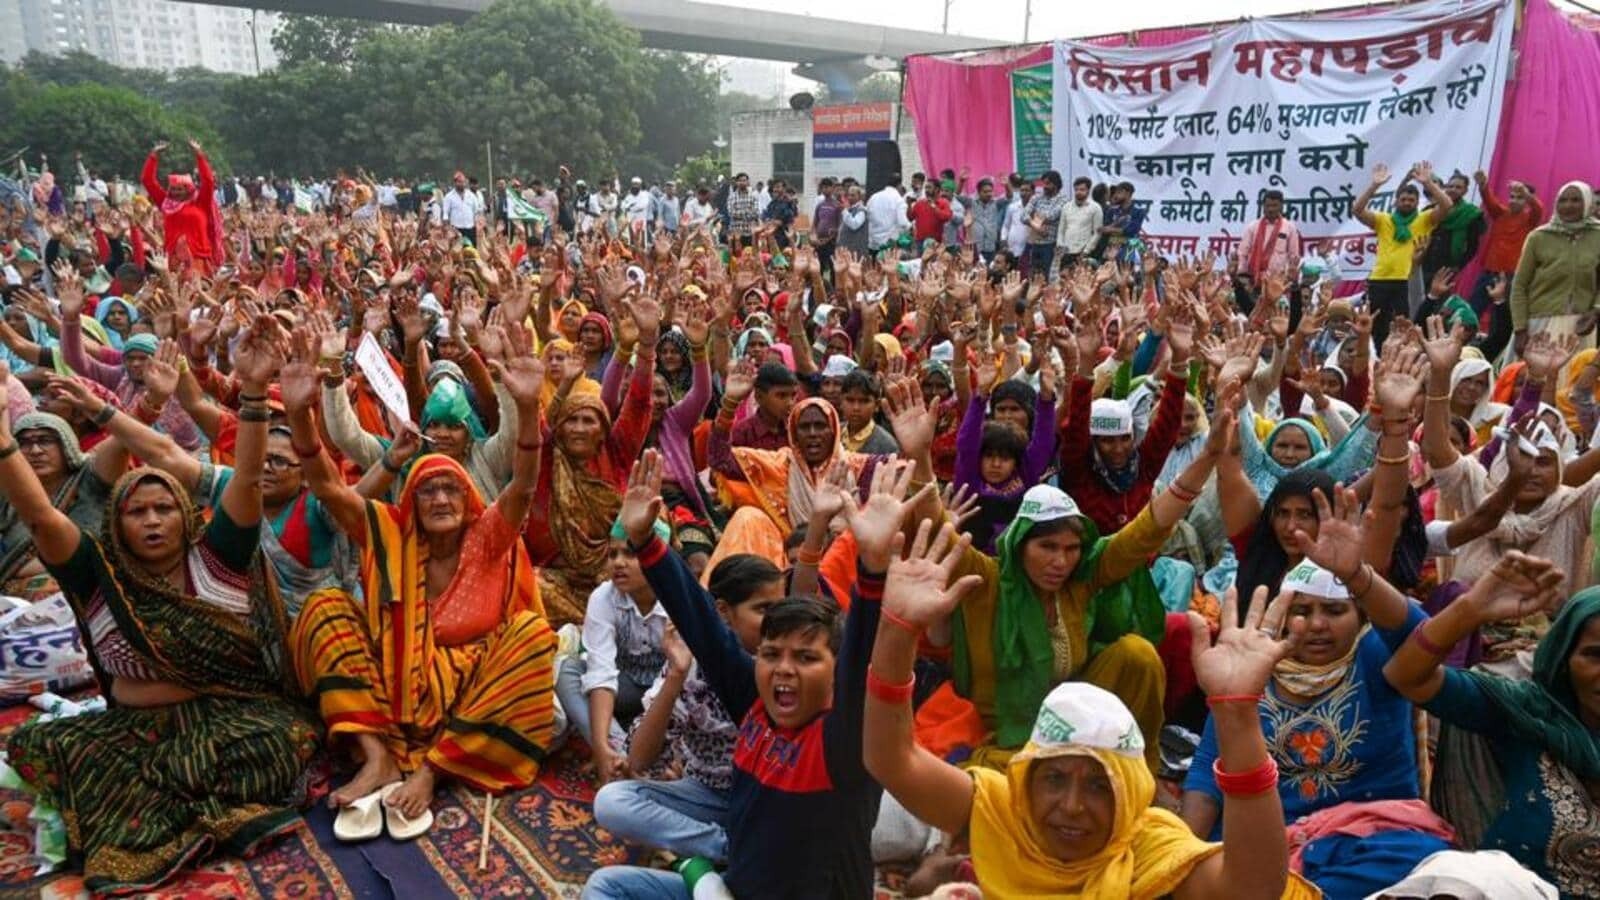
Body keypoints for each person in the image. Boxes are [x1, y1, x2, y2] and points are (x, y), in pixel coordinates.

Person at [1, 322, 321, 895]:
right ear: (117, 523)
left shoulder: (217, 559)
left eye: (163, 509)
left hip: (222, 720)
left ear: (183, 515)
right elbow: (44, 518)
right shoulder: (100, 577)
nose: (152, 521)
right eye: (137, 512)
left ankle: (178, 798)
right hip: (130, 730)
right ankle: (194, 802)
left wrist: (251, 392)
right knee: (42, 748)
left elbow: (244, 477)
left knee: (289, 737)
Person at [862, 520, 1316, 899]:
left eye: (1101, 785)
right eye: (1055, 778)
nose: (1073, 807)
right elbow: (890, 758)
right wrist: (897, 630)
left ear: (1134, 791)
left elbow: (1253, 888)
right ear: (1025, 779)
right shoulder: (1004, 812)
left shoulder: (1151, 851)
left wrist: (1236, 717)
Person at [583, 451, 924, 899]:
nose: (783, 669)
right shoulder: (756, 704)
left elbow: (864, 658)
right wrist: (646, 541)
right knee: (608, 886)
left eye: (805, 658)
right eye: (771, 654)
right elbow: (704, 626)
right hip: (736, 887)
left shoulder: (842, 740)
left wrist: (873, 569)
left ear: (835, 671)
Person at [285, 321, 560, 823]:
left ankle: (433, 768)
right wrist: (301, 416)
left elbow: (522, 484)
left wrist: (524, 406)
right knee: (323, 608)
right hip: (392, 692)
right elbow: (327, 488)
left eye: (450, 490)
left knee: (534, 635)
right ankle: (377, 756)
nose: (438, 499)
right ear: (410, 501)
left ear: (469, 499)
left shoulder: (487, 537)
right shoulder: (390, 534)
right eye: (427, 491)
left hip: (472, 694)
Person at [937, 397, 1238, 769]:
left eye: (1071, 548)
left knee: (1137, 655)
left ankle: (1138, 767)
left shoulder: (1082, 575)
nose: (1060, 561)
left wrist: (1208, 457)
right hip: (1010, 731)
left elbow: (1148, 528)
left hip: (1075, 708)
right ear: (1019, 545)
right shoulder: (988, 579)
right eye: (1047, 547)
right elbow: (936, 533)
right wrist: (918, 454)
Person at [1184, 489, 1454, 900]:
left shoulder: (1380, 656)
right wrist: (1184, 856)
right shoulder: (1251, 665)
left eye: (1333, 611)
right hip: (1270, 846)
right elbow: (1208, 769)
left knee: (1429, 861)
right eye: (1301, 610)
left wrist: (1360, 578)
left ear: (1360, 615)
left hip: (1372, 842)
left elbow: (1421, 637)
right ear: (1282, 614)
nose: (1316, 625)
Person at [1382, 551, 1596, 897]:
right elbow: (1407, 677)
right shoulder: (1530, 712)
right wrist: (1470, 610)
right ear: (1563, 657)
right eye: (1594, 655)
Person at [592, 554, 785, 862]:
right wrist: (676, 675)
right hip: (708, 794)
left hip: (768, 799)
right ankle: (725, 849)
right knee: (612, 802)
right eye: (763, 610)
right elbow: (639, 759)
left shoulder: (785, 668)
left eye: (780, 609)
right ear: (723, 612)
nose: (777, 622)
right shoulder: (693, 666)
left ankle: (745, 846)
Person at [1352, 161, 1454, 347]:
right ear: (1396, 201)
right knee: (1376, 327)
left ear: (1417, 203)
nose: (1407, 203)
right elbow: (1357, 210)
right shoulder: (1384, 220)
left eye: (1411, 200)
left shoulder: (1424, 220)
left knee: (1405, 326)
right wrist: (1374, 185)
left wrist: (1428, 183)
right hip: (1380, 279)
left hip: (1406, 281)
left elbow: (1447, 206)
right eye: (1403, 199)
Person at [1510, 181, 1600, 353]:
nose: (1568, 206)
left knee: (1573, 379)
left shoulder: (1598, 235)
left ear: (1588, 203)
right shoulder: (1539, 237)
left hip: (1581, 327)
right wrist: (1520, 329)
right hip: (1538, 325)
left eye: (1576, 200)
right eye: (1563, 200)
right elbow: (1519, 286)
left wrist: (1596, 312)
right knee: (1533, 378)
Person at [141, 139, 223, 272]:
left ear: (189, 189)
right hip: (173, 260)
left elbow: (208, 181)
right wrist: (153, 155)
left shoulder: (200, 202)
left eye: (180, 189)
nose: (176, 192)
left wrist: (199, 155)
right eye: (173, 189)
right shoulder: (166, 203)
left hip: (198, 259)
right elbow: (147, 180)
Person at [1240, 190, 1303, 286]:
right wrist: (1242, 276)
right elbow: (1242, 253)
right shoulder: (1253, 227)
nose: (1270, 209)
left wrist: (1289, 278)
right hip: (1252, 280)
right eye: (1267, 206)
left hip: (1277, 282)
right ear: (1263, 207)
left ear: (1281, 206)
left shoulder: (1289, 228)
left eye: (1274, 205)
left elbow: (1293, 256)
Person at [1023, 170, 1067, 277]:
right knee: (1032, 275)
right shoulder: (1036, 197)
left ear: (1055, 184)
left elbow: (1051, 216)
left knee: (1047, 276)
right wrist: (1036, 227)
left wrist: (1033, 215)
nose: (1044, 186)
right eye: (1044, 183)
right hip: (1034, 243)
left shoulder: (1063, 199)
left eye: (1048, 183)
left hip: (1050, 244)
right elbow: (1023, 216)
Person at [1055, 175, 1102, 270]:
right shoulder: (1066, 207)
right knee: (1064, 282)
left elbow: (1097, 232)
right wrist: (1060, 247)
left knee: (1082, 281)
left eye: (1082, 189)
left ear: (1088, 190)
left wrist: (1086, 251)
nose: (1078, 192)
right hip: (1066, 253)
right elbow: (1061, 230)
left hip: (1083, 253)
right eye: (1076, 189)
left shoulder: (1095, 208)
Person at [867, 176, 909, 251]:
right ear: (899, 185)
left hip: (873, 242)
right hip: (889, 244)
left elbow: (867, 216)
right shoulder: (898, 200)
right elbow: (902, 222)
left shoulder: (874, 197)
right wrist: (910, 227)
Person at [441, 171, 483, 246]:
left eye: (463, 182)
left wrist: (478, 225)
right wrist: (447, 228)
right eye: (459, 182)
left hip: (470, 229)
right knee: (457, 253)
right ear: (455, 183)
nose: (461, 184)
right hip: (456, 230)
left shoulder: (471, 196)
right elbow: (445, 214)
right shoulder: (449, 197)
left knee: (471, 252)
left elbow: (476, 212)